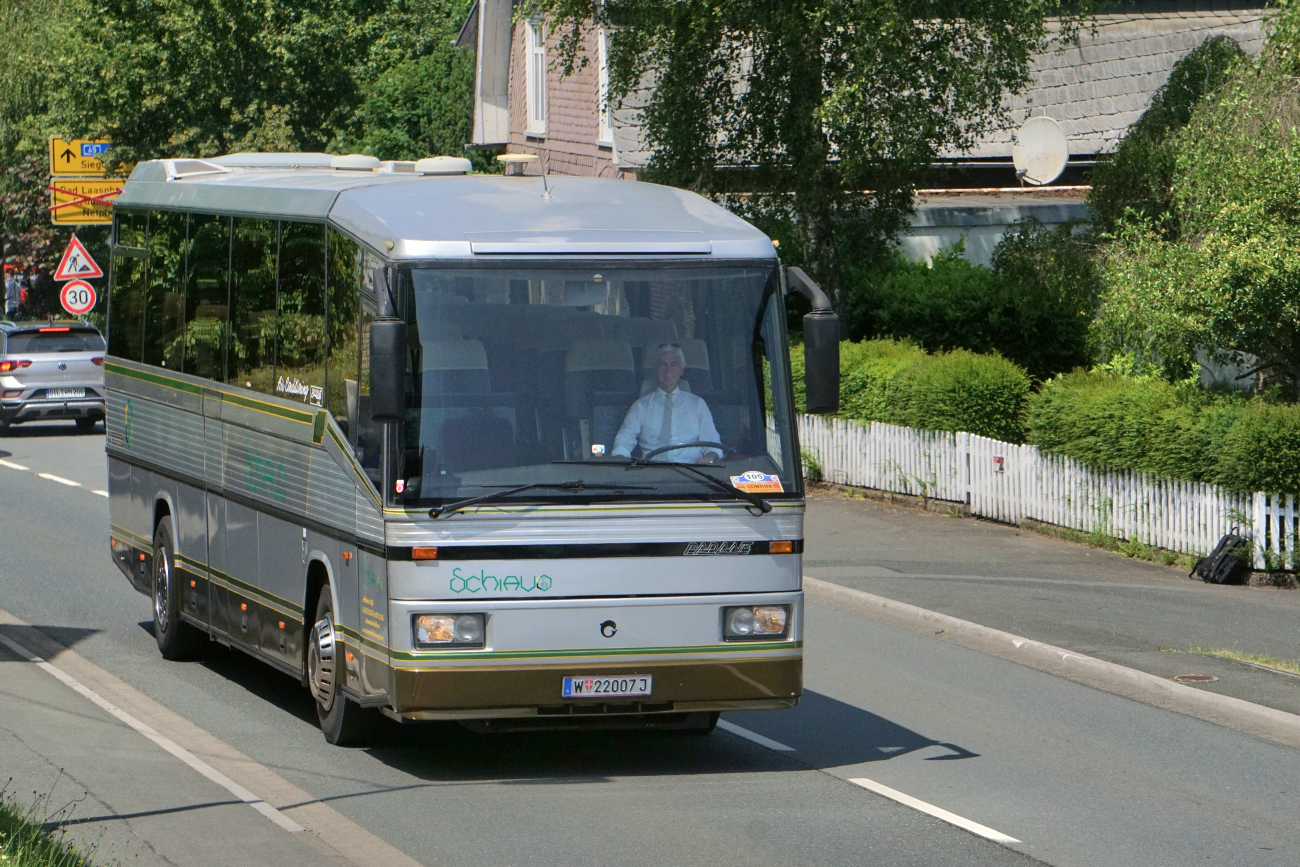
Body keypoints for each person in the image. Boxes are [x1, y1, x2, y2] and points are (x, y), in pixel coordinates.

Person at [612, 343, 723, 464]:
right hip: (651, 470)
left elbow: (713, 444)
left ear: (681, 370)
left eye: (673, 364)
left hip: (692, 469)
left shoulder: (698, 405)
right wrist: (620, 458)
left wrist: (709, 457)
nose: (668, 369)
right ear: (656, 370)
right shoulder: (640, 406)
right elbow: (625, 438)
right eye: (663, 364)